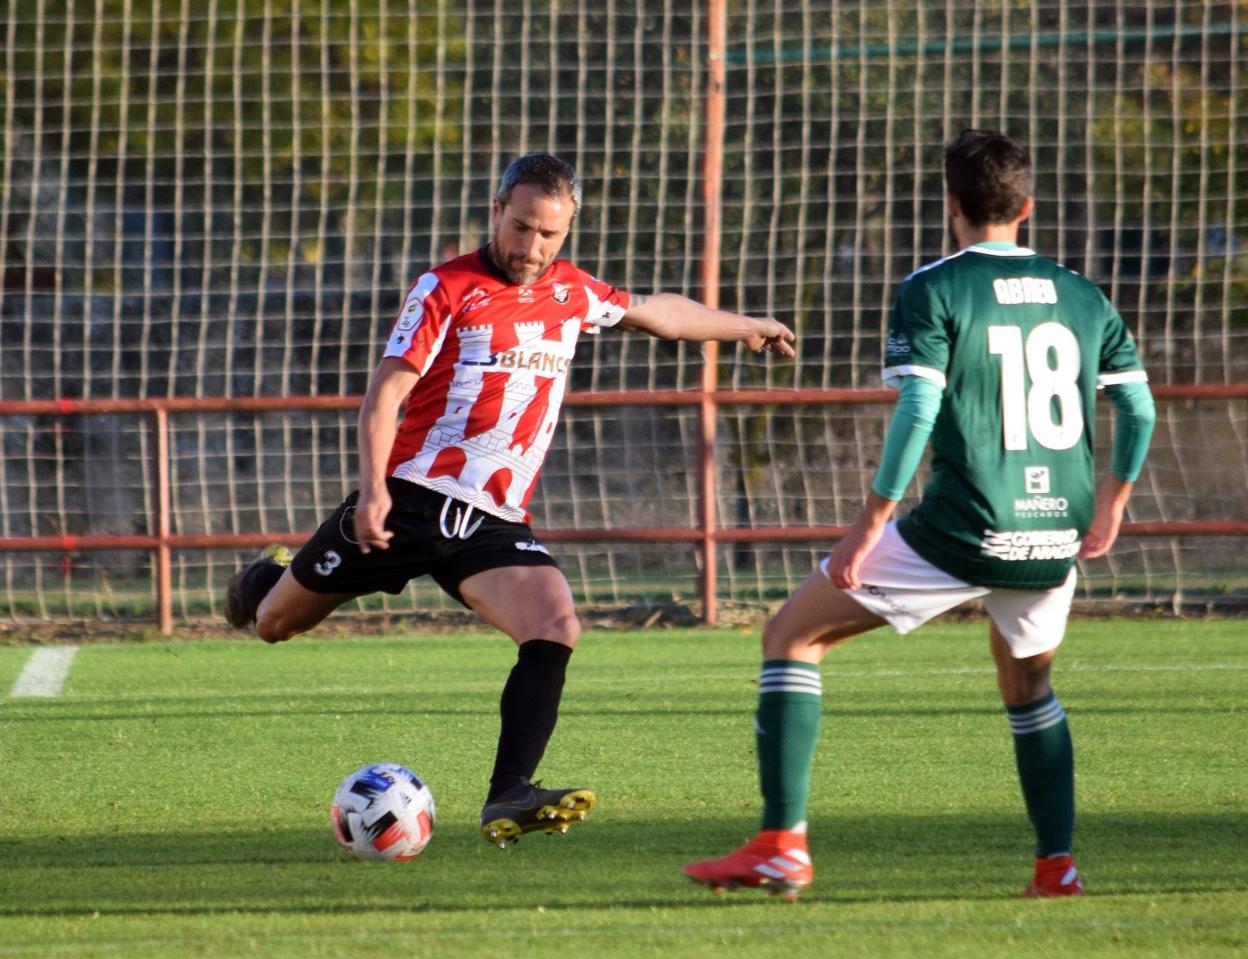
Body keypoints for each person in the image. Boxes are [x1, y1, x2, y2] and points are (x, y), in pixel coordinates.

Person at [224, 152, 796, 848]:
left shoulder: (571, 292)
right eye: (522, 228)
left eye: (549, 235)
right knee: (274, 623)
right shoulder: (446, 287)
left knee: (554, 625)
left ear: (567, 231)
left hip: (489, 521)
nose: (533, 248)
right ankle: (261, 581)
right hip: (409, 501)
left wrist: (746, 325)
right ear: (497, 212)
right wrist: (373, 489)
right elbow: (386, 395)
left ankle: (509, 794)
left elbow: (660, 314)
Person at [682, 129, 1156, 899]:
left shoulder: (934, 287)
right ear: (1026, 207)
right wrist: (1114, 499)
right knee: (1028, 687)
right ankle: (1056, 864)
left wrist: (872, 522)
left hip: (964, 526)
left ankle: (782, 845)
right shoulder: (1081, 293)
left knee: (791, 635)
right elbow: (1137, 405)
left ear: (950, 204)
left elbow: (922, 402)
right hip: (1054, 533)